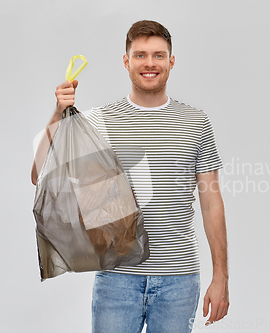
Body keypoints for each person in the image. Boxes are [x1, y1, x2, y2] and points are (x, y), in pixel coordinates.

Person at [31, 20, 229, 333]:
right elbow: (39, 173)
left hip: (179, 279)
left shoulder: (196, 122)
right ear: (127, 61)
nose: (149, 63)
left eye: (158, 55)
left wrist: (221, 278)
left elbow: (211, 203)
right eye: (140, 55)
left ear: (171, 62)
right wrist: (58, 114)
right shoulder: (99, 121)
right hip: (117, 279)